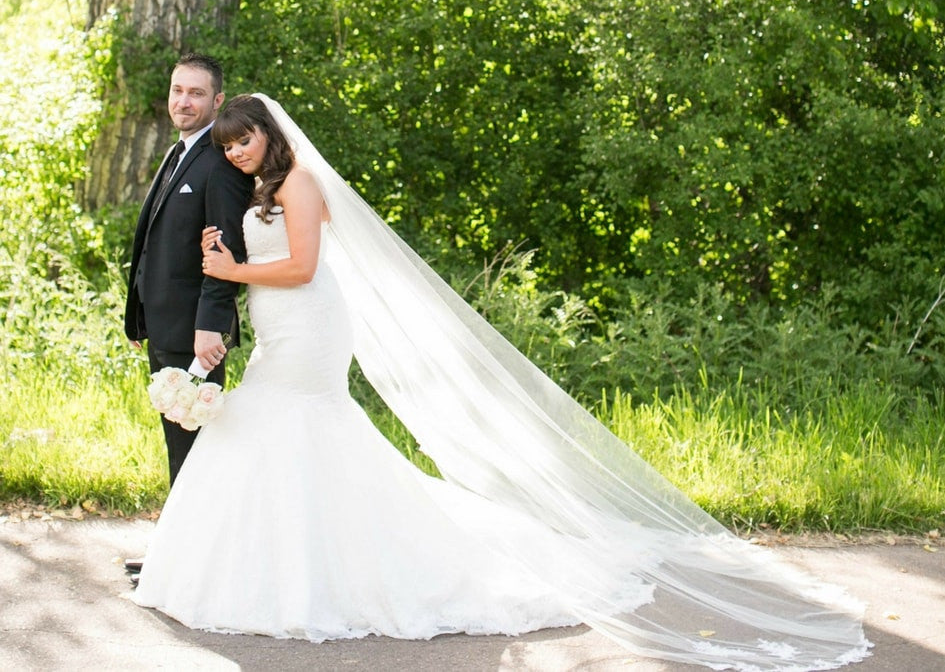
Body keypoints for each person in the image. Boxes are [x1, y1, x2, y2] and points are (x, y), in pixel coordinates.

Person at [131, 94, 871, 671]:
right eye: (227, 146)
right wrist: (221, 251)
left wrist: (233, 270)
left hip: (311, 330)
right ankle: (274, 564)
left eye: (242, 140)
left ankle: (352, 566)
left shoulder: (302, 183)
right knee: (270, 432)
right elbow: (261, 260)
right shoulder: (261, 189)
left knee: (287, 426)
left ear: (269, 133)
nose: (233, 152)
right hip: (280, 330)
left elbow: (301, 268)